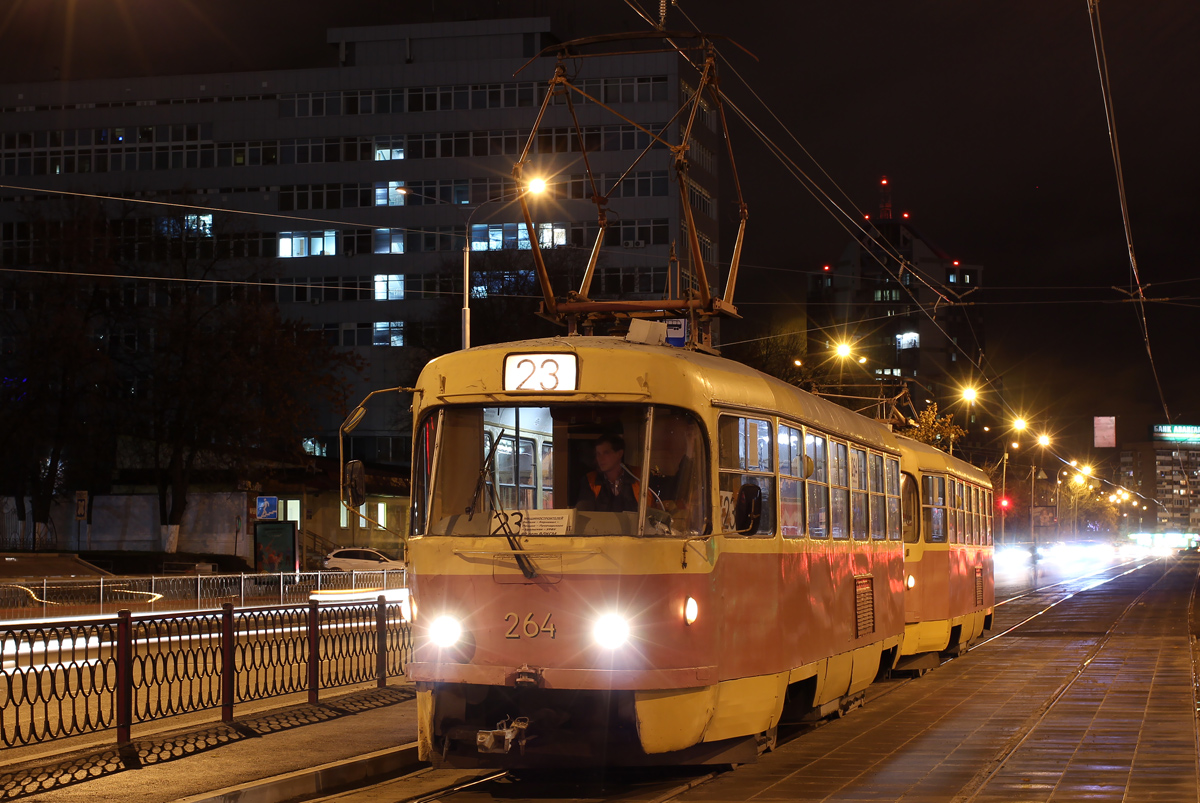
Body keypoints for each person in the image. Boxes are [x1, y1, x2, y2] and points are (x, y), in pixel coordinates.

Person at [577, 434, 640, 512]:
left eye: (606, 453)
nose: (600, 458)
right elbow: (583, 512)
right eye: (598, 454)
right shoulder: (591, 480)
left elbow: (649, 511)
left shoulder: (639, 477)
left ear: (619, 454)